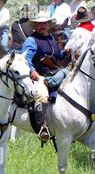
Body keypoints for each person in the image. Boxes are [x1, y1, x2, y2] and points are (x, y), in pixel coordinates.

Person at [21, 11, 69, 142]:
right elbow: (24, 59)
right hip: (39, 76)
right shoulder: (31, 40)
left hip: (53, 73)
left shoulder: (51, 38)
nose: (42, 25)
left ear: (48, 24)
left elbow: (58, 55)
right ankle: (43, 127)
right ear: (35, 26)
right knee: (42, 95)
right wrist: (32, 71)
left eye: (44, 23)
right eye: (39, 24)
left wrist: (66, 53)